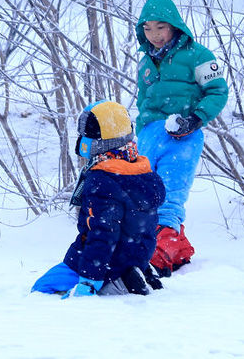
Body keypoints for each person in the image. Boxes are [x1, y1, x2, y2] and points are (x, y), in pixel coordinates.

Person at [134, 0, 229, 275]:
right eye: (147, 29)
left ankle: (160, 256)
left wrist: (195, 119)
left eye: (160, 27)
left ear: (174, 25)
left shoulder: (199, 56)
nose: (154, 35)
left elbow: (218, 91)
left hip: (182, 136)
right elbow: (143, 99)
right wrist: (143, 129)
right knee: (144, 196)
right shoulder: (145, 62)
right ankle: (173, 248)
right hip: (150, 135)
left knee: (169, 194)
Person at [31, 100, 166, 297]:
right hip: (136, 255)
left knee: (42, 289)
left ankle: (120, 284)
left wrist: (89, 280)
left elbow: (102, 234)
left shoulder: (103, 180)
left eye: (85, 134)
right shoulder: (143, 172)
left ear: (99, 142)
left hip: (100, 262)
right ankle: (137, 272)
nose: (81, 139)